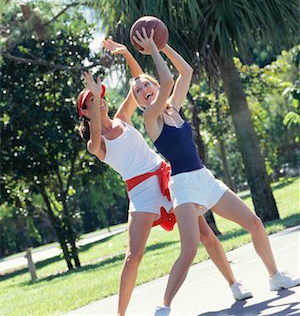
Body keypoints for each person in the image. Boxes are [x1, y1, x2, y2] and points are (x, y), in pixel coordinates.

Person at [130, 28, 300, 316]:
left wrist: (164, 45)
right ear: (140, 101)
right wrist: (153, 51)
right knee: (190, 250)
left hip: (204, 179)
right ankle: (164, 306)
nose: (144, 91)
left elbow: (185, 71)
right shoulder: (150, 118)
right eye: (138, 92)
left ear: (155, 90)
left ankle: (275, 277)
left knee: (256, 224)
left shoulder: (174, 109)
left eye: (146, 85)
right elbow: (168, 79)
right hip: (183, 186)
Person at [77, 39, 253, 316]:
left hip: (168, 179)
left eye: (99, 97)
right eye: (90, 102)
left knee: (205, 234)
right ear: (85, 113)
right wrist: (93, 93)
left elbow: (138, 82)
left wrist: (125, 53)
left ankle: (234, 283)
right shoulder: (96, 144)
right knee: (133, 256)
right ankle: (120, 314)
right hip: (140, 192)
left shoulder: (124, 117)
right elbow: (96, 131)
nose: (97, 101)